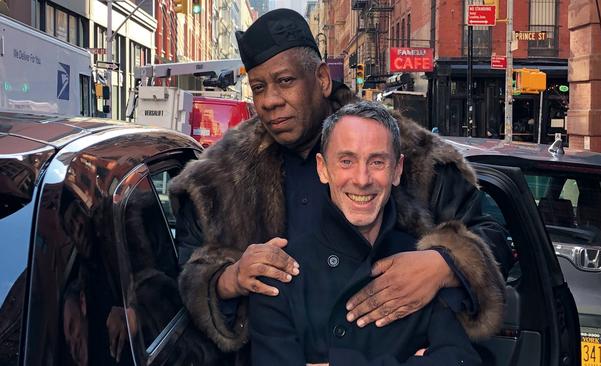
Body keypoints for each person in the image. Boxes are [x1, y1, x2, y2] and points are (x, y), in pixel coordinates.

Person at [169, 7, 512, 360]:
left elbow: (493, 236)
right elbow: (185, 275)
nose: (270, 100)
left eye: (285, 81)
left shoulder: (408, 152)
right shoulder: (219, 179)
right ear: (323, 168)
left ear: (320, 79)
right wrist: (231, 279)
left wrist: (442, 265)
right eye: (259, 87)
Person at [249, 101, 483, 365]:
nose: (362, 179)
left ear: (397, 170)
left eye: (377, 162)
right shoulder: (279, 277)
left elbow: (463, 360)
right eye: (347, 161)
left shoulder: (423, 270)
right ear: (322, 169)